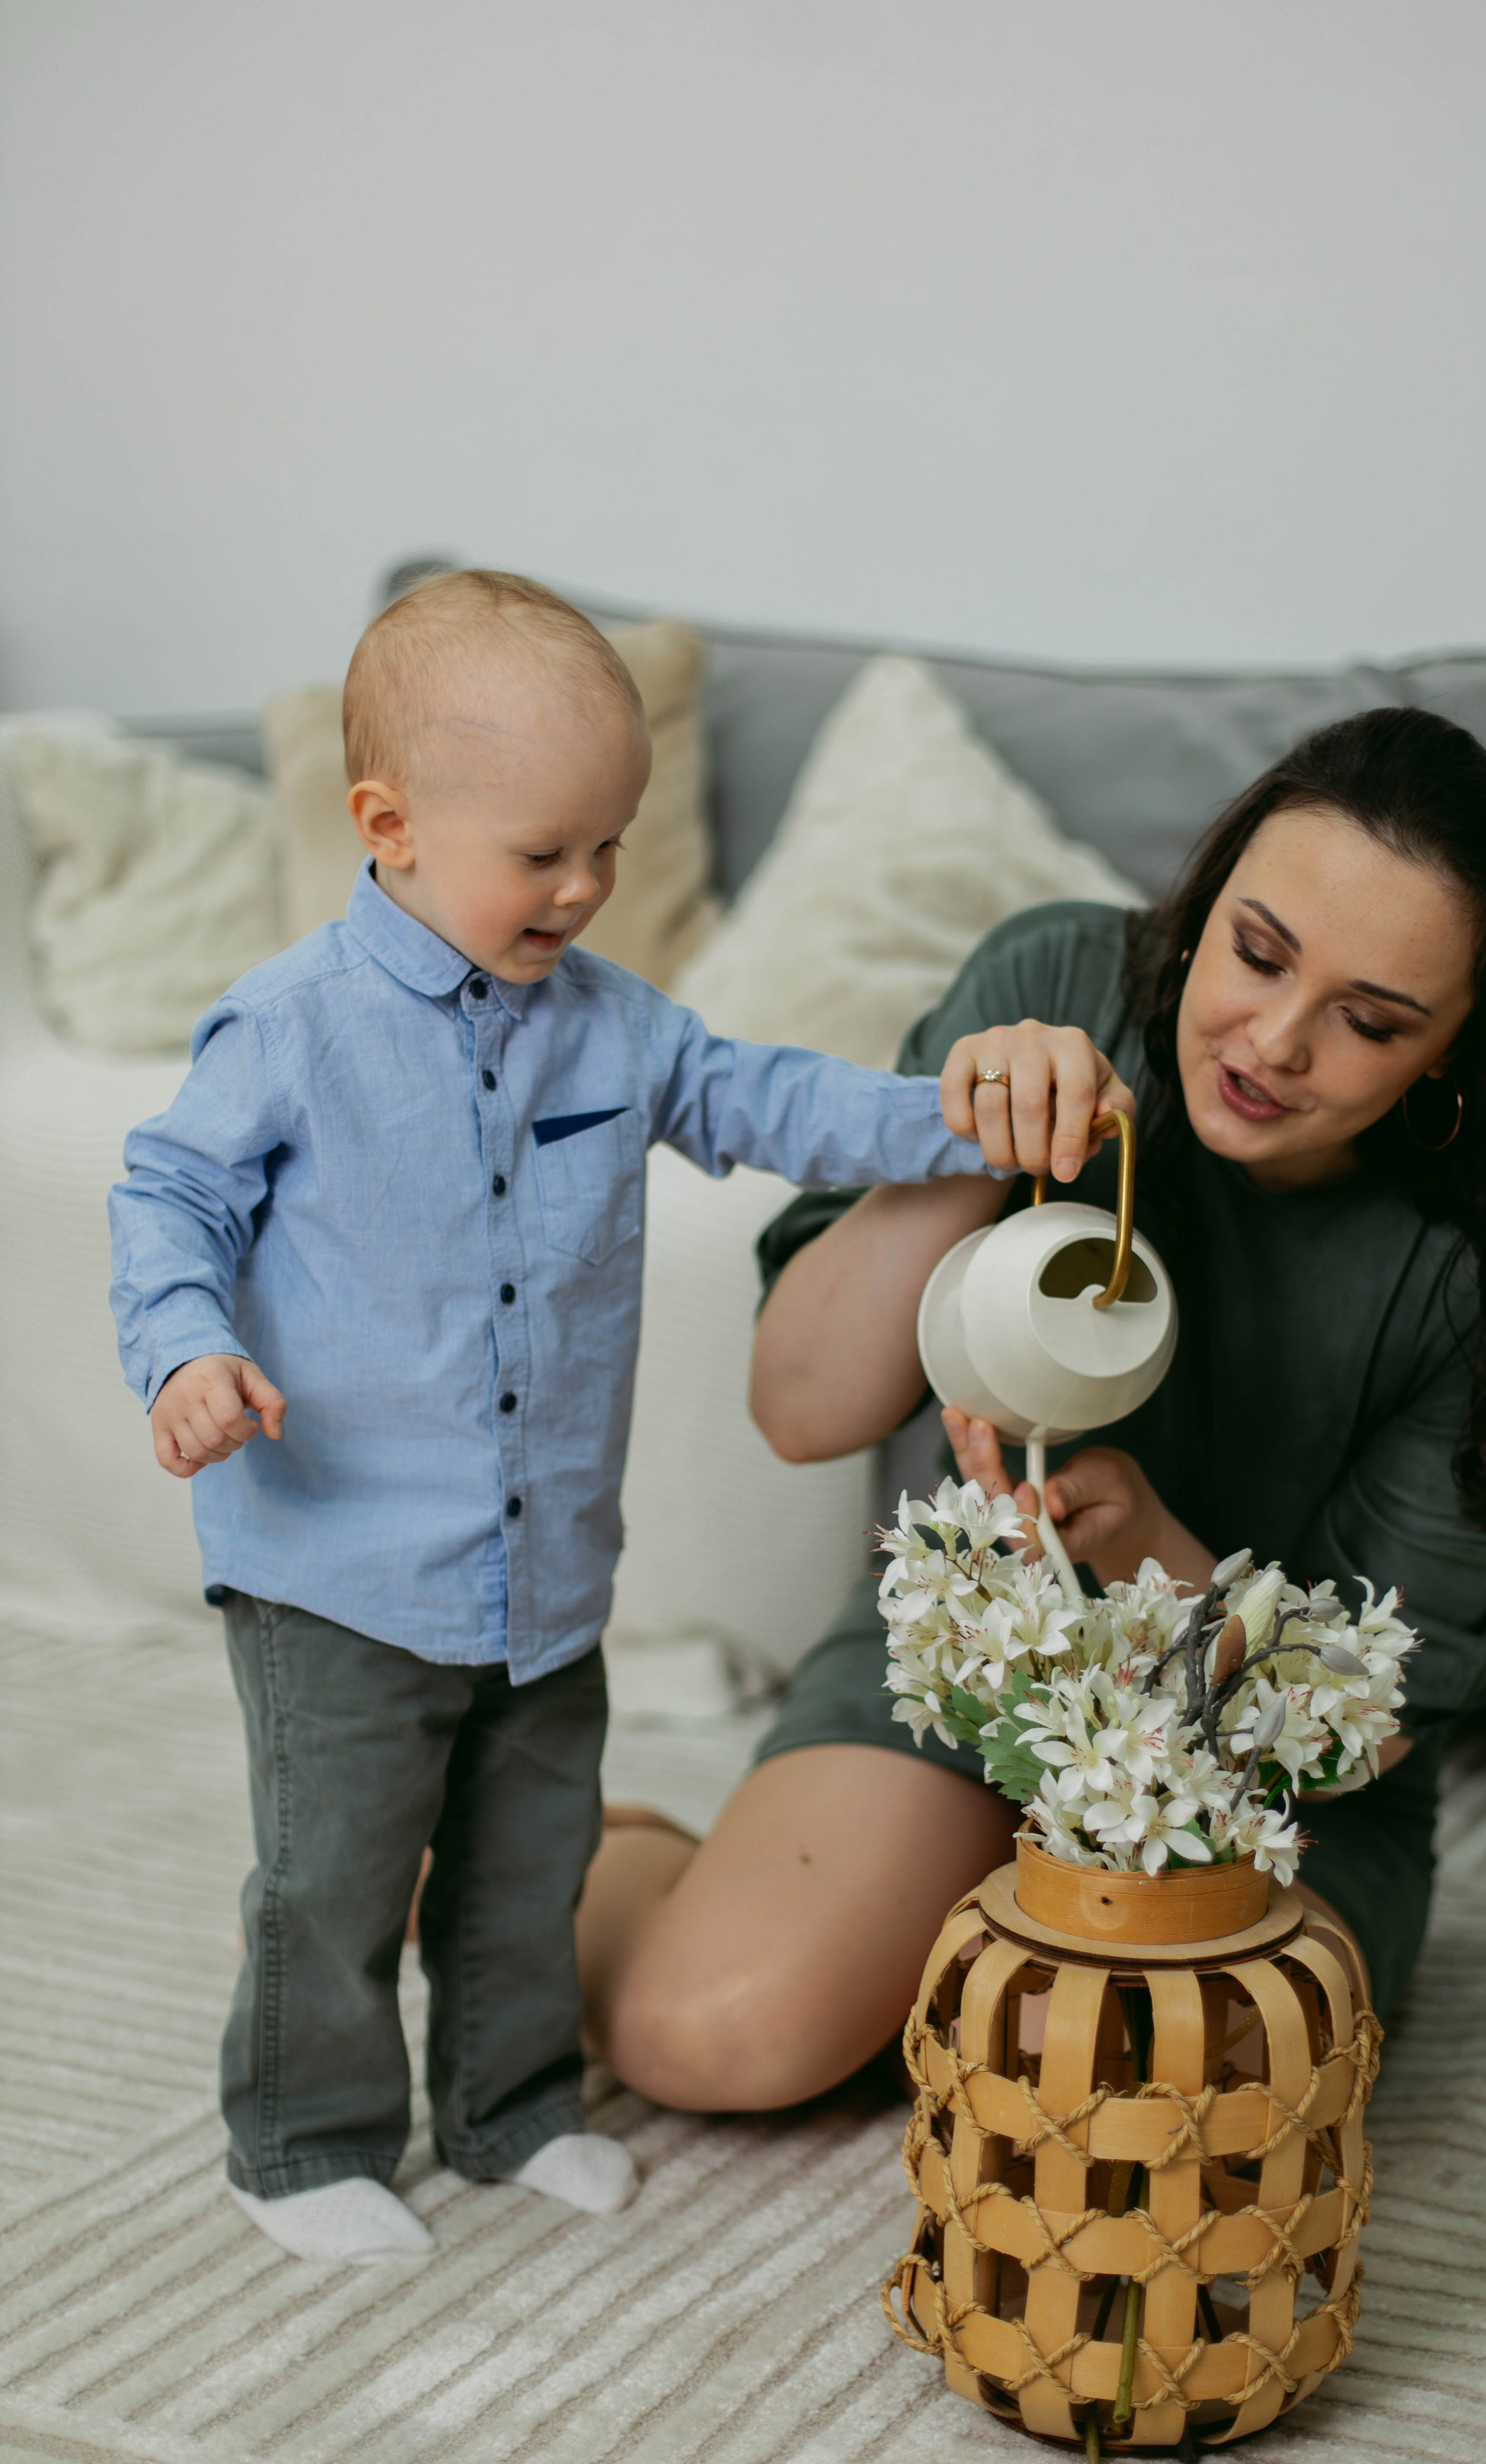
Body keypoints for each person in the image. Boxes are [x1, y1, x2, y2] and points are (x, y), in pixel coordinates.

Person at [106, 569, 1077, 2267]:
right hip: (334, 1563)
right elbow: (169, 1197)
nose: (586, 886)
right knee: (333, 1875)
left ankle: (507, 2108)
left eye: (610, 847)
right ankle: (301, 2139)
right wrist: (187, 1354)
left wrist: (951, 1117)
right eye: (544, 851)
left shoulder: (616, 1027)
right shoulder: (292, 1028)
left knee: (525, 1859)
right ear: (389, 827)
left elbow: (775, 1097)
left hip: (543, 1568)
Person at [576, 705, 1486, 2110]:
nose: (1272, 1043)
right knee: (711, 2038)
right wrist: (956, 1149)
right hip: (972, 1678)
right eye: (1256, 952)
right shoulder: (1060, 984)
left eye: (1369, 1021)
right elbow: (797, 1407)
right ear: (1204, 903)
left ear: (1452, 1047)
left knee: (1096, 2086)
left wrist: (1150, 1550)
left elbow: (1366, 1731)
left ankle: (920, 1933)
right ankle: (591, 1857)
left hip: (1268, 1795)